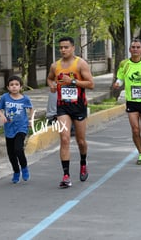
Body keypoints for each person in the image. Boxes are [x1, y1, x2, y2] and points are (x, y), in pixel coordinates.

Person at [47, 36, 95, 188]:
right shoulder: (55, 66)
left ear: (73, 48)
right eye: (61, 47)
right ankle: (66, 175)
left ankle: (83, 162)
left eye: (66, 47)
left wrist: (72, 81)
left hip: (78, 106)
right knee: (65, 138)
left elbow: (91, 84)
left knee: (81, 141)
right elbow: (49, 79)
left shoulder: (80, 64)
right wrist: (52, 85)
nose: (63, 50)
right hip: (62, 107)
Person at [0, 75, 34, 184]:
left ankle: (24, 167)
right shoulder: (5, 97)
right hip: (9, 128)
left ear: (21, 87)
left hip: (21, 127)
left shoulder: (25, 99)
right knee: (11, 153)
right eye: (11, 85)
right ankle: (16, 171)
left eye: (16, 85)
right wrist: (2, 116)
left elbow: (31, 108)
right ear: (8, 87)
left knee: (18, 149)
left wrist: (31, 120)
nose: (14, 87)